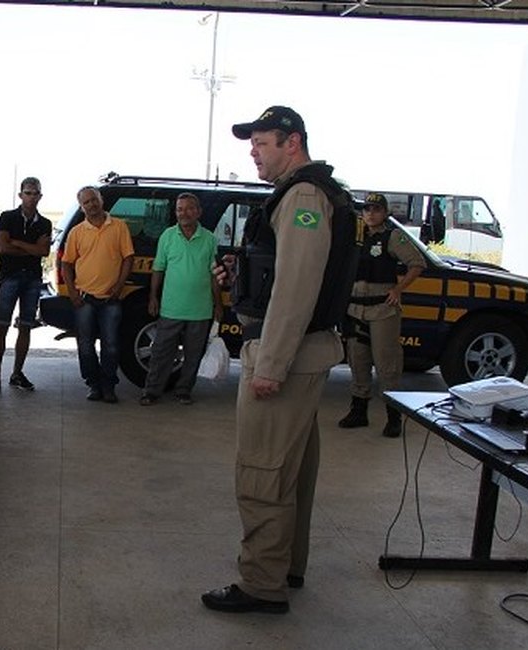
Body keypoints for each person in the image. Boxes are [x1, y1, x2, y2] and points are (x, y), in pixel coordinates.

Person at [201, 106, 359, 614]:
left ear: (292, 143)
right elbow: (280, 272)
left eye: (262, 142)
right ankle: (285, 565)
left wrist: (268, 365)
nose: (253, 151)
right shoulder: (303, 194)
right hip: (300, 350)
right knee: (290, 469)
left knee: (263, 471)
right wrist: (242, 272)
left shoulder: (305, 196)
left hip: (285, 354)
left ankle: (261, 583)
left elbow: (296, 287)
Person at [338, 192, 426, 437]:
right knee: (358, 359)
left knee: (387, 363)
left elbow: (417, 263)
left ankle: (393, 416)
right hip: (356, 307)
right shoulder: (355, 237)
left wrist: (398, 289)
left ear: (385, 212)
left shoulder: (392, 236)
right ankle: (359, 411)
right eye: (366, 209)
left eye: (376, 209)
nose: (370, 214)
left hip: (382, 308)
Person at [141, 193, 223, 406]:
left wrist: (218, 304)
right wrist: (153, 297)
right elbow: (158, 269)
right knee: (160, 353)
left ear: (198, 212)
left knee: (193, 355)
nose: (183, 213)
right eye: (179, 209)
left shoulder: (210, 239)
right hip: (171, 308)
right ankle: (151, 392)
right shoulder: (167, 236)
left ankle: (183, 391)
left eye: (188, 209)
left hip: (200, 309)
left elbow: (214, 275)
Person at [61, 186, 133, 403]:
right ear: (82, 208)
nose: (91, 204)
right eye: (86, 202)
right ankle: (93, 385)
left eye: (94, 200)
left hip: (111, 298)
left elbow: (128, 258)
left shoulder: (119, 227)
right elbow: (66, 264)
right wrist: (73, 292)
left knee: (111, 345)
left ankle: (109, 386)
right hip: (84, 299)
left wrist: (119, 287)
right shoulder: (76, 232)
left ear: (101, 200)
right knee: (85, 344)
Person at [0, 177, 52, 391]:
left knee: (26, 326)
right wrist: (29, 247)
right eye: (28, 193)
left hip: (33, 279)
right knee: (1, 326)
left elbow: (43, 251)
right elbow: (3, 248)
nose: (32, 197)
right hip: (10, 277)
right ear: (20, 195)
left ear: (40, 196)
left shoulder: (45, 223)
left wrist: (16, 242)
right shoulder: (7, 217)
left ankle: (17, 373)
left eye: (35, 193)